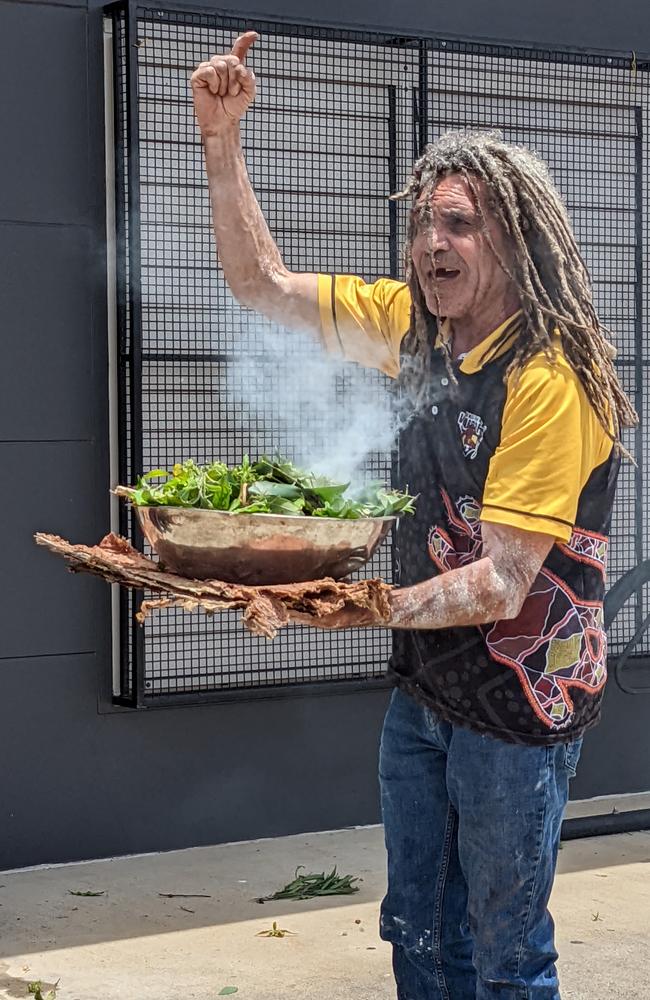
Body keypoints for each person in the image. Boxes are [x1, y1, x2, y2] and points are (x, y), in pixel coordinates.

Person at [191, 34, 636, 1000]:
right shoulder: (411, 327)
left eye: (460, 224)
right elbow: (261, 286)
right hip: (426, 698)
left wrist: (350, 605)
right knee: (421, 939)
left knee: (505, 955)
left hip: (520, 712)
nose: (433, 243)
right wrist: (222, 144)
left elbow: (501, 581)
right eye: (424, 223)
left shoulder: (549, 379)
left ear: (513, 241)